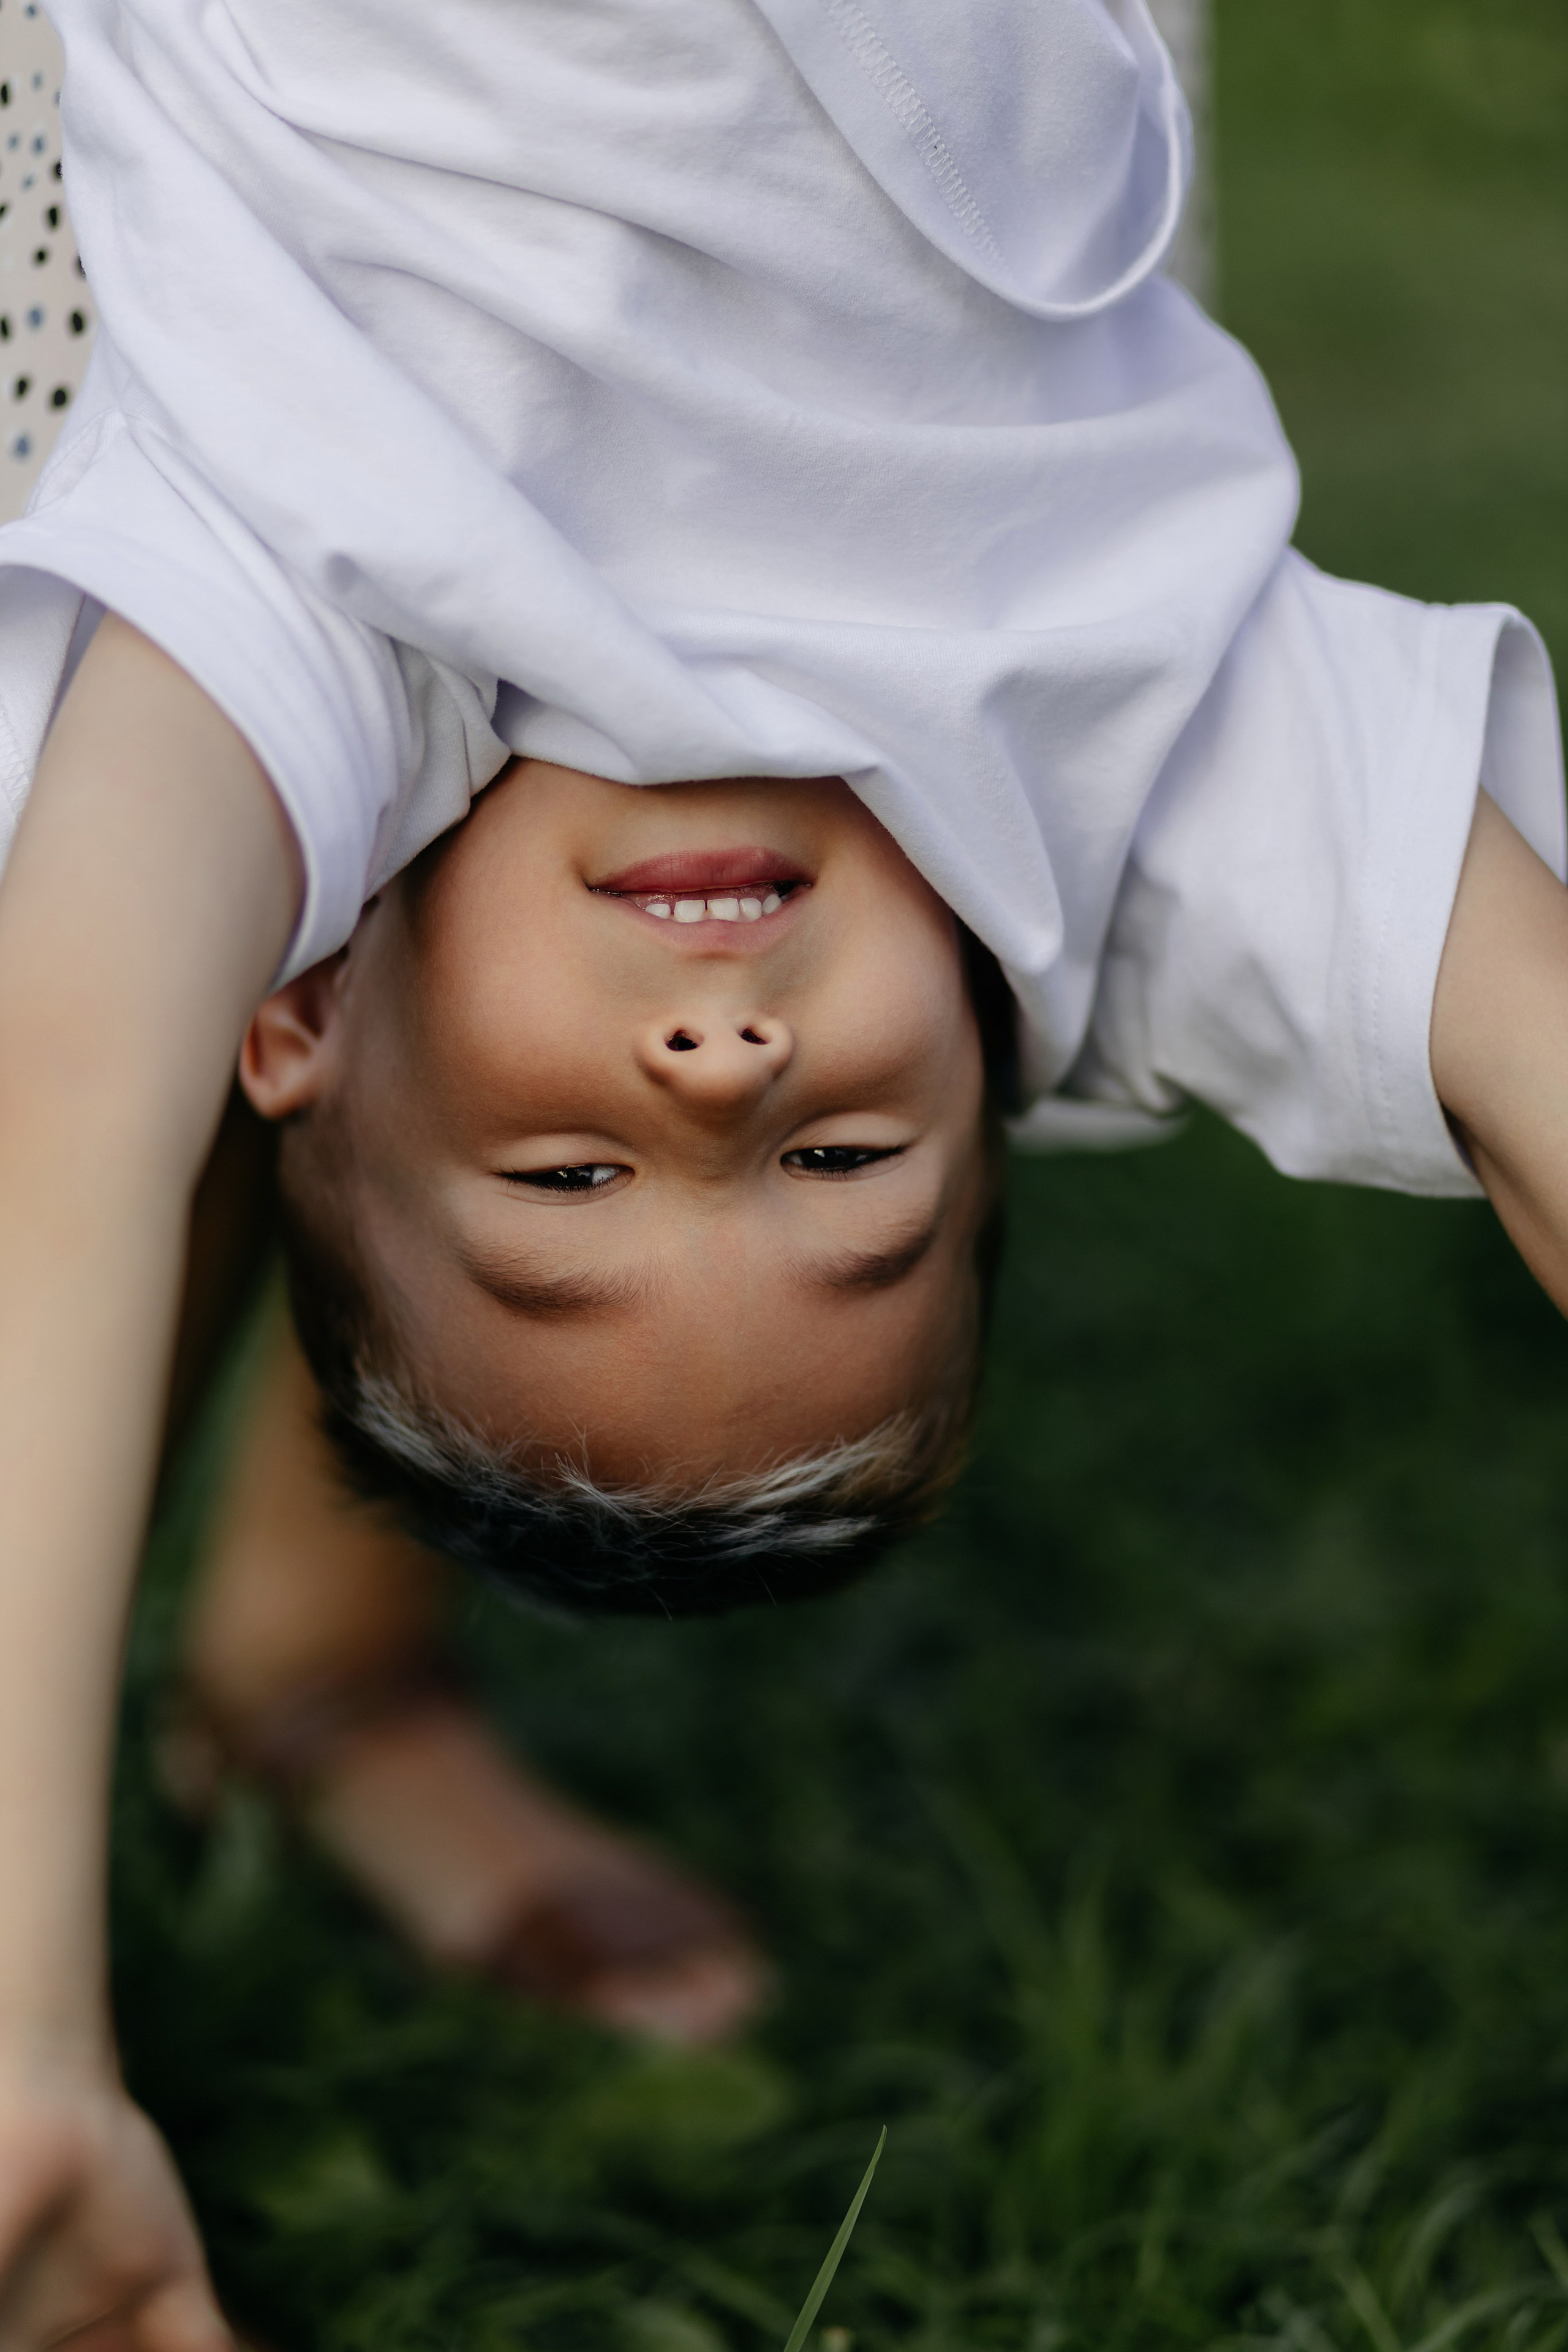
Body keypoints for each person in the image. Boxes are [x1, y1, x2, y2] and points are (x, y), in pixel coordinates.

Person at [0, 0, 1564, 2341]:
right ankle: (316, 1668)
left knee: (150, 928)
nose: (719, 1074)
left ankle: (317, 1663)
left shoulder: (303, 587)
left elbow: (72, 1121)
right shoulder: (1130, 762)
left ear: (298, 999)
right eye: (843, 1152)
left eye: (573, 1181)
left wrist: (19, 2042)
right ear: (1000, 1043)